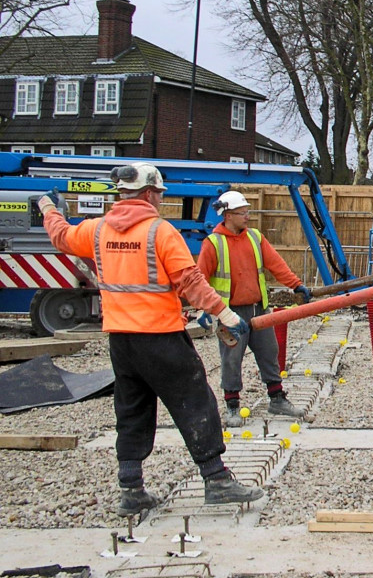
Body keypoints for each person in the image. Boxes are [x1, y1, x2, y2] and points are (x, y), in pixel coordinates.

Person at [38, 163, 264, 516]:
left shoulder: (97, 231)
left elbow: (61, 236)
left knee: (132, 409)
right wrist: (226, 314)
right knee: (195, 401)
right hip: (160, 335)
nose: (161, 199)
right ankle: (217, 480)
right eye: (159, 193)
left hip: (122, 342)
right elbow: (189, 281)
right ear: (148, 194)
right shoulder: (160, 232)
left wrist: (48, 209)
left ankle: (131, 488)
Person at [196, 190, 311, 428]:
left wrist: (296, 285)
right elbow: (200, 279)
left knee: (269, 353)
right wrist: (205, 308)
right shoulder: (213, 244)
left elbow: (275, 263)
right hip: (229, 314)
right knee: (231, 359)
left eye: (247, 211)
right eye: (242, 212)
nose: (247, 216)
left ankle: (277, 399)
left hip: (258, 309)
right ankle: (232, 407)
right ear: (227, 215)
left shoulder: (255, 238)